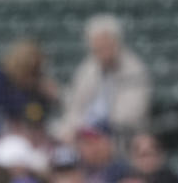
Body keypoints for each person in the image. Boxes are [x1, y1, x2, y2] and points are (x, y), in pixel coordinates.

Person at [59, 14, 151, 143]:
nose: (103, 53)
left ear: (117, 43)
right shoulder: (87, 68)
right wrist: (76, 128)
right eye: (98, 49)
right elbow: (75, 106)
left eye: (107, 46)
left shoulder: (134, 69)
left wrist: (92, 127)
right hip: (85, 133)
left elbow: (129, 115)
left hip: (120, 136)